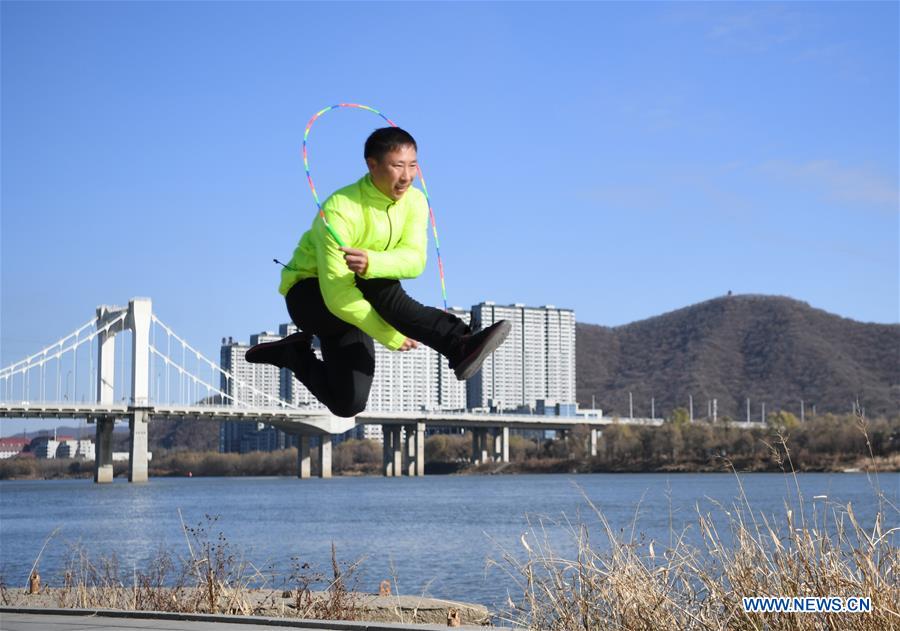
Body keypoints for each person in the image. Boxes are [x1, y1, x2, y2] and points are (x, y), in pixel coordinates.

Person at [246, 127, 510, 417]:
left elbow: (414, 261)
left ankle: (293, 355)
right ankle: (458, 343)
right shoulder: (340, 208)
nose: (407, 176)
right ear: (372, 165)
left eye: (413, 165)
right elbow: (338, 296)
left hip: (360, 300)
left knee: (349, 402)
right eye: (398, 166)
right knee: (377, 283)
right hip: (311, 296)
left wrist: (372, 263)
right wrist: (391, 335)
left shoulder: (416, 202)